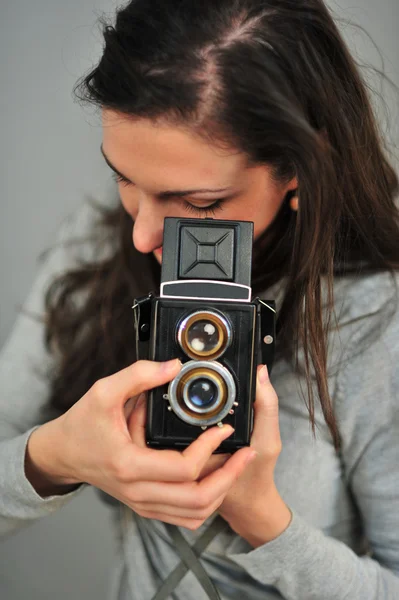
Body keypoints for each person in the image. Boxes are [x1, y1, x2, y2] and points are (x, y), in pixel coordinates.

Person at [1, 0, 398, 598]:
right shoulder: (96, 248)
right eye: (124, 179)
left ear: (297, 166)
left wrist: (264, 519)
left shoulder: (374, 314)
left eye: (200, 204)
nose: (140, 235)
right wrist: (53, 458)